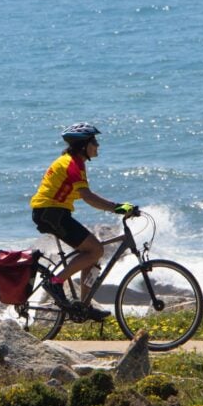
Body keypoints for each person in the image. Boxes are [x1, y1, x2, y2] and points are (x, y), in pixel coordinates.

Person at [30, 122, 138, 320]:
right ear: (83, 145)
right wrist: (117, 207)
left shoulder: (73, 161)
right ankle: (55, 282)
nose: (97, 145)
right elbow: (88, 197)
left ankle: (84, 306)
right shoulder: (72, 164)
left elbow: (84, 195)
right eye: (94, 141)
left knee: (93, 254)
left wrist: (115, 207)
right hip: (51, 213)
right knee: (95, 250)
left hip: (55, 212)